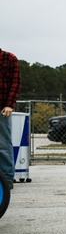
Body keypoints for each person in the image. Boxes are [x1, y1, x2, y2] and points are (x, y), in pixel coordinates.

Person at [0, 46, 21, 185]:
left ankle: (7, 178)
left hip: (2, 108)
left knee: (3, 143)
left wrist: (9, 104)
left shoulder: (9, 58)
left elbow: (16, 83)